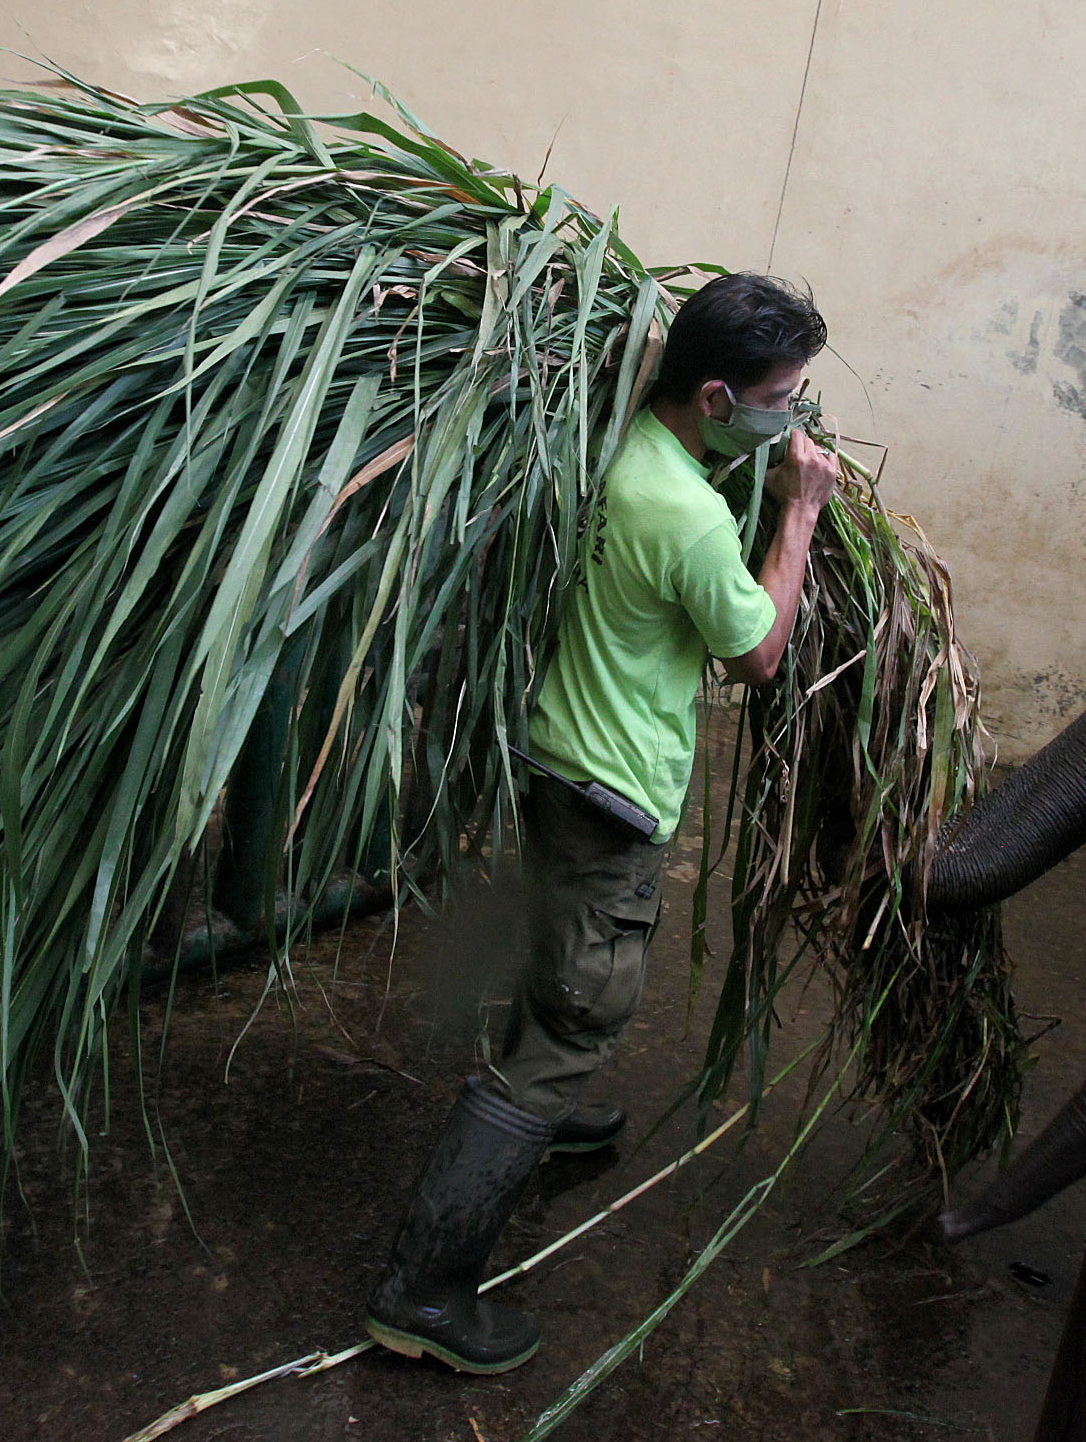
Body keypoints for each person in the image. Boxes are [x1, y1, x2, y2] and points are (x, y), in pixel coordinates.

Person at [364, 272, 840, 1374]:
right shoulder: (689, 515)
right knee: (578, 1020)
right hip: (614, 793)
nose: (792, 421)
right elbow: (760, 653)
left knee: (557, 956)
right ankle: (421, 1293)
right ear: (716, 398)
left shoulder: (625, 446)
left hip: (553, 758)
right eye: (783, 400)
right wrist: (801, 512)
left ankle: (551, 1107)